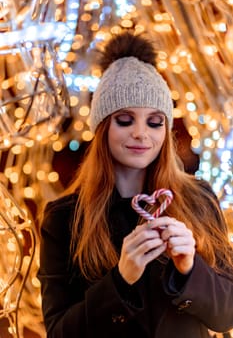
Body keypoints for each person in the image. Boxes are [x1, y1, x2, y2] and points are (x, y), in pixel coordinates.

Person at [38, 31, 233, 338]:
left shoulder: (198, 198)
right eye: (125, 120)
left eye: (155, 122)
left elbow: (226, 316)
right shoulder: (64, 218)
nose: (142, 133)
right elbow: (59, 332)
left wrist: (189, 269)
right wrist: (120, 280)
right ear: (103, 127)